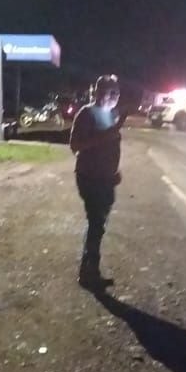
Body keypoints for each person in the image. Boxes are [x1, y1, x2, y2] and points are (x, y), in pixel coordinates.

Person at [69, 74, 125, 289]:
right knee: (96, 224)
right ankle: (88, 273)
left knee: (98, 225)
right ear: (97, 92)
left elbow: (110, 149)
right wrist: (112, 132)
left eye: (116, 92)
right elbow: (76, 146)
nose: (112, 96)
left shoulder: (111, 114)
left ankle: (90, 270)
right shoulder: (86, 114)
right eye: (108, 91)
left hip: (105, 179)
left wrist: (114, 172)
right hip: (90, 179)